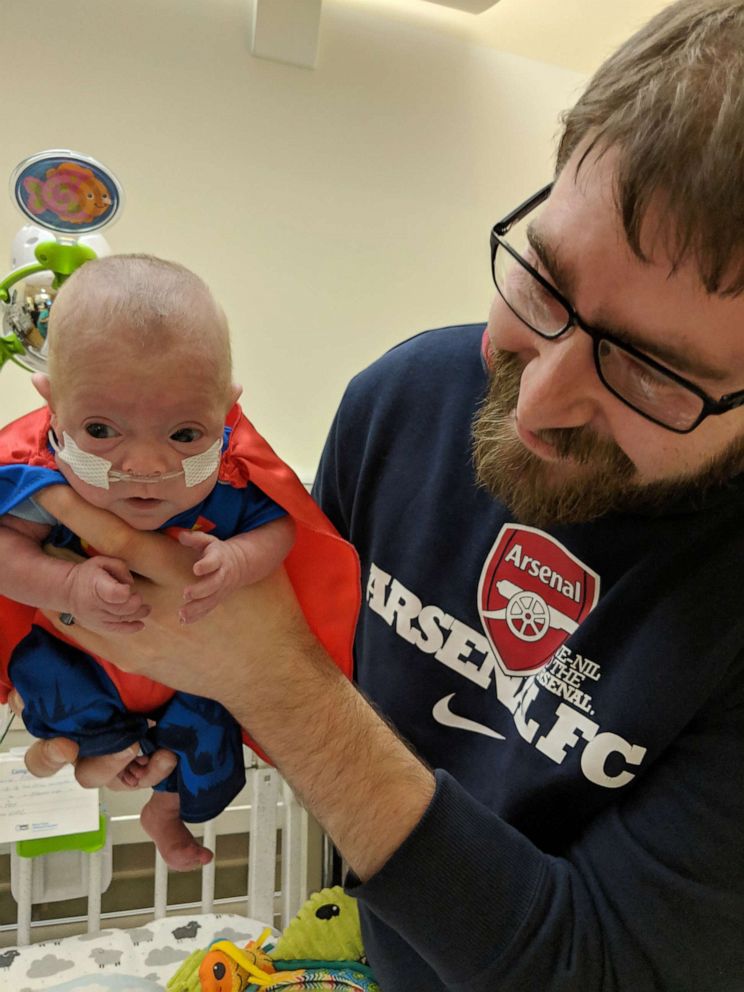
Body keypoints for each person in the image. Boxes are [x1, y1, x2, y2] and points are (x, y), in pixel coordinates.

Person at [14, 0, 744, 987]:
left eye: (653, 371)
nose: (537, 402)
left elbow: (599, 965)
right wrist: (139, 711)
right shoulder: (403, 403)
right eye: (543, 278)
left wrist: (279, 690)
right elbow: (286, 647)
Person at [0, 254, 359, 871]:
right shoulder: (39, 483)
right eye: (101, 430)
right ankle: (95, 748)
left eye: (185, 435)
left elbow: (279, 529)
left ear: (226, 410)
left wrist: (237, 560)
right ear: (51, 408)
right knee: (46, 679)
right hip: (84, 665)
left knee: (214, 741)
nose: (144, 466)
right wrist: (67, 583)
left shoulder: (233, 481)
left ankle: (168, 809)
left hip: (196, 682)